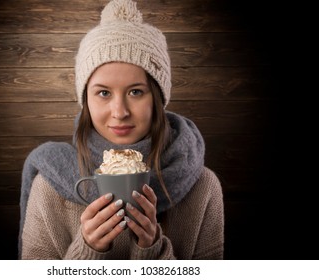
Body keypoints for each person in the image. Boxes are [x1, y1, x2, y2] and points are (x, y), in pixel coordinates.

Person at [19, 0, 224, 260]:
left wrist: (153, 251)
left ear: (158, 99)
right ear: (86, 101)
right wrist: (88, 251)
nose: (119, 111)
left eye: (136, 92)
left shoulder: (203, 187)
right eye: (103, 92)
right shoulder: (50, 184)